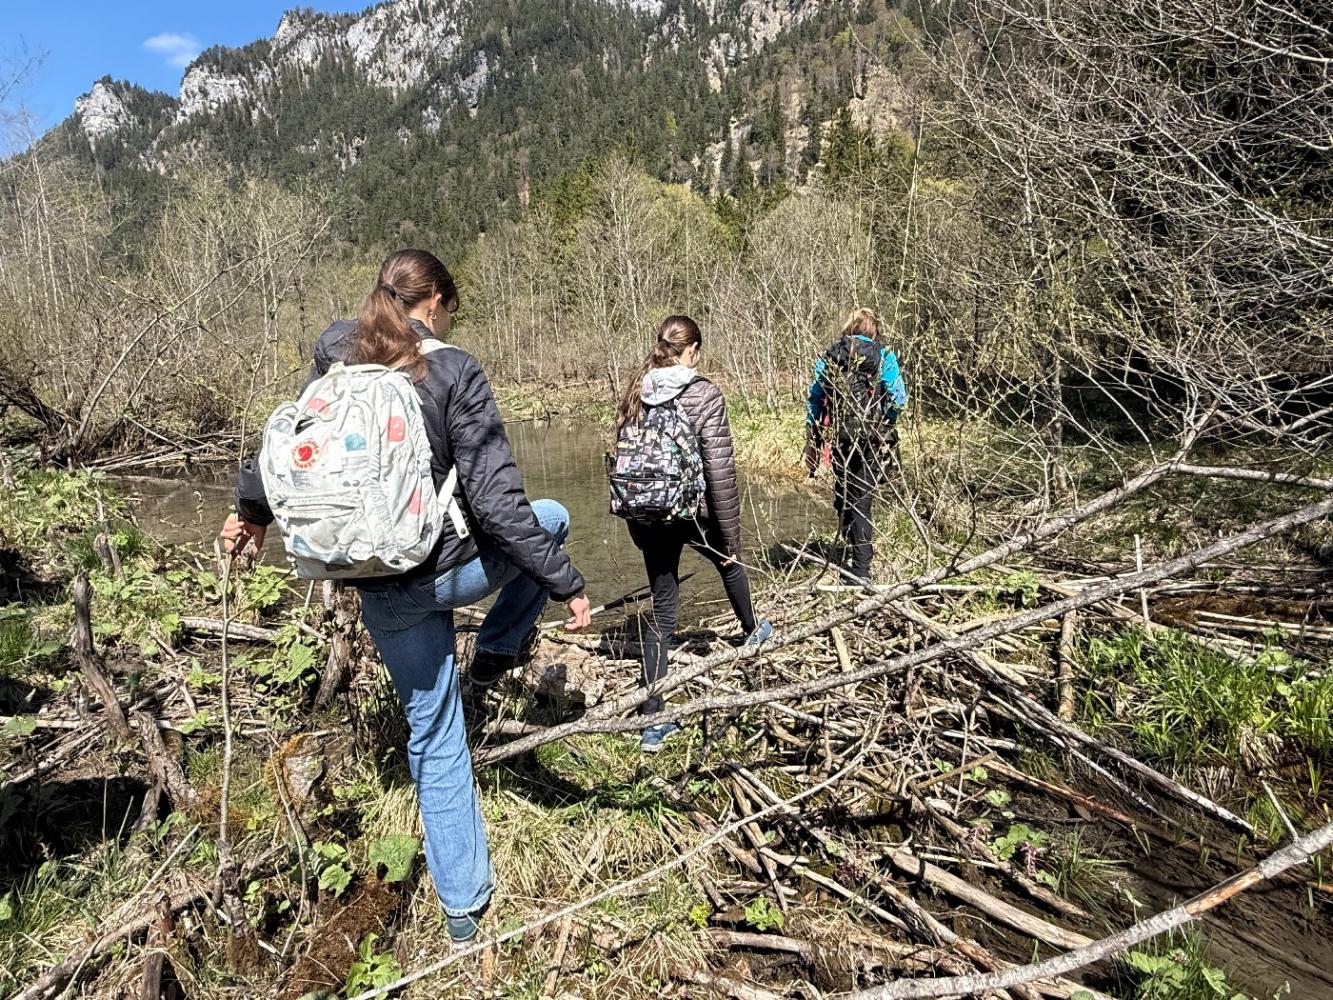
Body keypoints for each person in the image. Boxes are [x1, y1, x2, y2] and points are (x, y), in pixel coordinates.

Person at [220, 248, 592, 944]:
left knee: (434, 732)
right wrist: (565, 583)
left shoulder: (338, 358)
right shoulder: (453, 369)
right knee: (551, 519)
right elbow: (499, 505)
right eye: (452, 309)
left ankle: (461, 913)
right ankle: (498, 647)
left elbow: (285, 453)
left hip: (376, 583)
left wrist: (250, 515)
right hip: (450, 571)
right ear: (435, 303)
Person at [614, 315, 772, 753]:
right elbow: (719, 473)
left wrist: (637, 526)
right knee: (728, 562)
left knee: (663, 611)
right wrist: (731, 537)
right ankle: (753, 630)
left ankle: (652, 721)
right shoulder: (703, 393)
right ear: (693, 350)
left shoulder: (637, 388)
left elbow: (626, 463)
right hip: (692, 511)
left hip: (648, 511)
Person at [804, 307, 908, 581]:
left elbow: (815, 400)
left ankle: (853, 551)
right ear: (874, 330)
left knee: (844, 495)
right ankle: (861, 570)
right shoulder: (885, 357)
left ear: (848, 328)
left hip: (840, 439)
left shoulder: (829, 357)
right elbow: (898, 399)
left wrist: (812, 440)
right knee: (861, 500)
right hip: (871, 439)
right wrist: (885, 422)